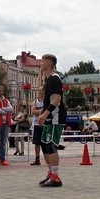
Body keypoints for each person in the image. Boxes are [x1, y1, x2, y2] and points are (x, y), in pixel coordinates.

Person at [37, 54, 66, 187]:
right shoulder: (47, 79)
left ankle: (56, 177)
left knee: (51, 144)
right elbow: (46, 101)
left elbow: (56, 99)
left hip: (55, 116)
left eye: (43, 61)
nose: (40, 63)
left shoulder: (55, 79)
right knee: (44, 144)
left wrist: (45, 114)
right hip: (49, 116)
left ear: (49, 63)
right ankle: (50, 173)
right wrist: (42, 114)